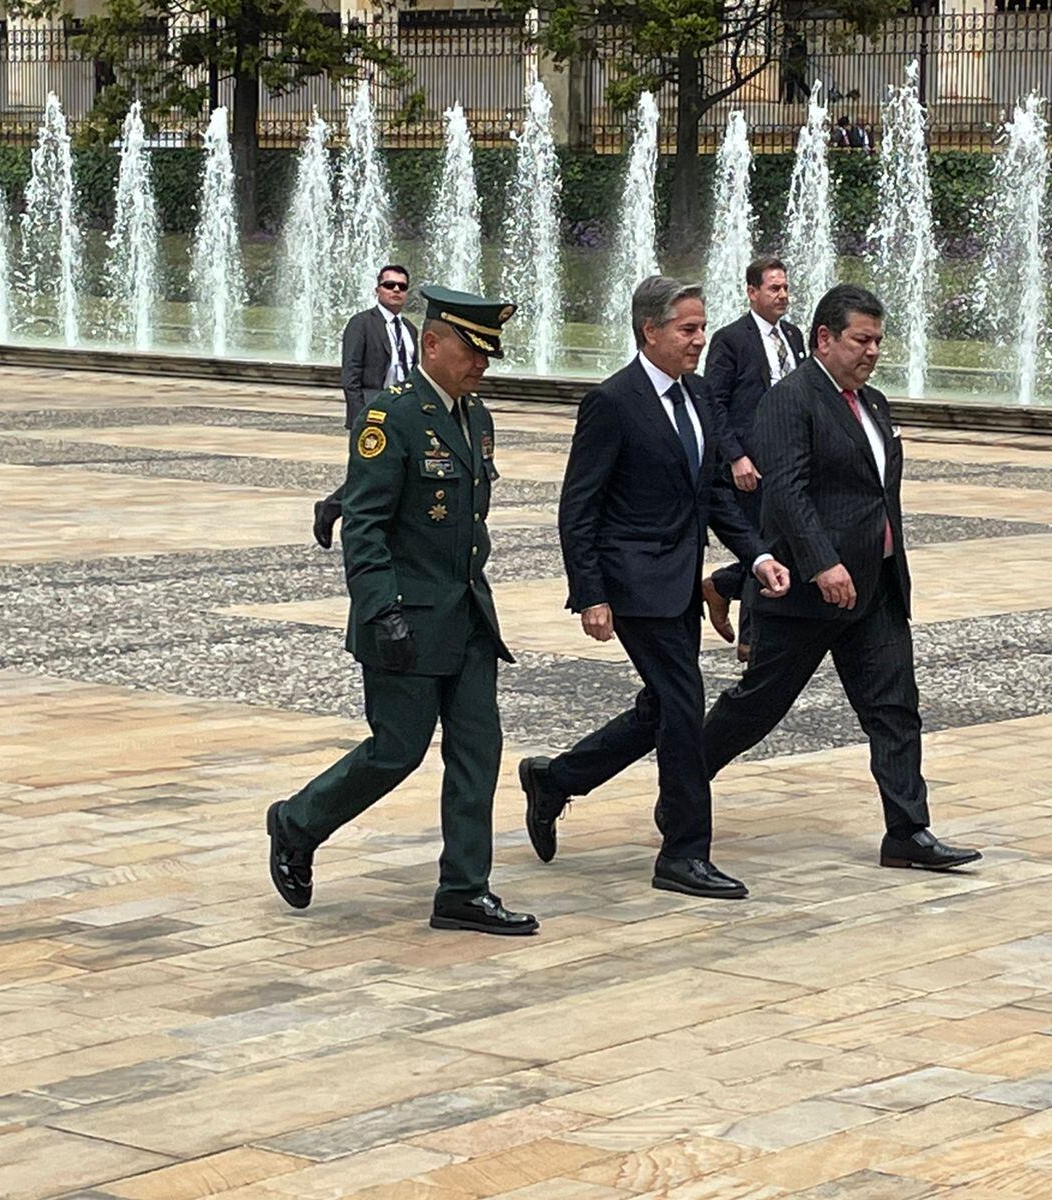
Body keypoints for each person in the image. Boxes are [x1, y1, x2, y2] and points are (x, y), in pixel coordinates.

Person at [267, 285, 539, 936]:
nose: (483, 364)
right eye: (473, 350)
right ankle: (297, 822)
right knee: (397, 752)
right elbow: (364, 527)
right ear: (433, 343)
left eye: (490, 354)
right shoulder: (392, 418)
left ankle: (464, 890)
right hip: (407, 622)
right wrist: (381, 610)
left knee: (478, 751)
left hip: (469, 615)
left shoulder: (476, 418)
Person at [517, 277, 792, 899]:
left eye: (700, 327)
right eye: (687, 329)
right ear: (651, 331)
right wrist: (590, 592)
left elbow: (715, 494)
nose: (699, 340)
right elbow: (578, 506)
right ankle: (683, 853)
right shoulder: (612, 401)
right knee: (682, 705)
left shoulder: (697, 394)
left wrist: (757, 558)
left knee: (663, 706)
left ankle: (557, 779)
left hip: (678, 584)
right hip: (632, 582)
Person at [701, 284, 981, 872]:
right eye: (861, 339)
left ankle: (908, 831)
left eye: (879, 340)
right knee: (755, 709)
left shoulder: (873, 403)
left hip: (874, 589)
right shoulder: (790, 400)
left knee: (894, 707)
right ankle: (681, 783)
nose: (873, 351)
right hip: (807, 594)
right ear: (824, 339)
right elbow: (788, 492)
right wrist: (822, 561)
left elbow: (875, 494)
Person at [703, 255, 809, 661]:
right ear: (752, 292)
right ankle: (751, 641)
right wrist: (735, 457)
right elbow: (714, 402)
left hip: (789, 460)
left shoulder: (795, 337)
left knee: (782, 543)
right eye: (773, 288)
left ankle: (723, 586)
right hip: (750, 463)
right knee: (761, 545)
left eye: (785, 287)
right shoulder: (732, 340)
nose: (782, 295)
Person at [314, 264, 419, 549]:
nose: (396, 290)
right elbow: (351, 374)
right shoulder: (362, 323)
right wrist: (361, 415)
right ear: (378, 290)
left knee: (400, 473)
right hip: (373, 411)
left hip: (405, 411)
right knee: (369, 474)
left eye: (402, 286)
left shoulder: (409, 329)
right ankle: (331, 510)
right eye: (390, 285)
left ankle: (379, 525)